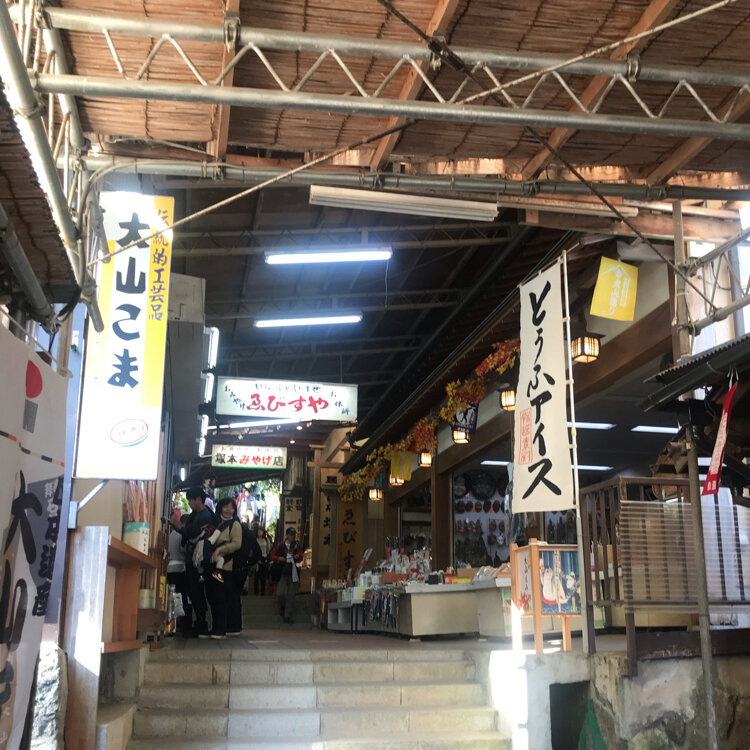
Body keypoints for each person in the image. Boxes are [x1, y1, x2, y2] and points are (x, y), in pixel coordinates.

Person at [176, 487, 216, 638]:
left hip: (199, 561)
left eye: (190, 500)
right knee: (193, 592)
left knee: (197, 592)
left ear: (198, 499)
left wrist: (180, 528)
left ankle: (201, 623)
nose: (189, 503)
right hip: (192, 558)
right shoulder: (195, 514)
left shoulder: (205, 516)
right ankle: (199, 623)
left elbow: (196, 535)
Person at [204, 497, 243, 638]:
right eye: (226, 506)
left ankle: (221, 629)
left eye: (232, 507)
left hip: (225, 567)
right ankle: (216, 627)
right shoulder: (215, 523)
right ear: (220, 507)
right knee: (213, 597)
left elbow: (237, 544)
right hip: (212, 564)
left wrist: (220, 550)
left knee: (221, 598)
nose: (228, 510)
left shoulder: (235, 524)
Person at [270, 527, 303, 624]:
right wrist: (279, 558)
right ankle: (283, 606)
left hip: (293, 572)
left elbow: (300, 557)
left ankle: (287, 616)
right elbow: (272, 555)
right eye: (291, 535)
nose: (293, 537)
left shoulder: (296, 545)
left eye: (294, 535)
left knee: (291, 594)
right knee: (279, 593)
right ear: (287, 535)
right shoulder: (280, 545)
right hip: (283, 571)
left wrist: (298, 557)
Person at [166, 516, 192, 637]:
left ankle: (170, 626)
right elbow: (184, 551)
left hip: (169, 568)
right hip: (181, 569)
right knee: (183, 598)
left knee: (171, 598)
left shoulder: (170, 535)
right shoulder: (184, 535)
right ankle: (186, 627)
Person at [253, 527, 271, 596]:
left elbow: (268, 549)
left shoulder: (266, 539)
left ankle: (263, 591)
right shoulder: (255, 540)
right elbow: (253, 549)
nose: (259, 532)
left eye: (261, 531)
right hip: (257, 559)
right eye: (258, 531)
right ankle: (256, 591)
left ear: (263, 532)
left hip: (264, 558)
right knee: (256, 576)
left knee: (263, 576)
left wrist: (266, 556)